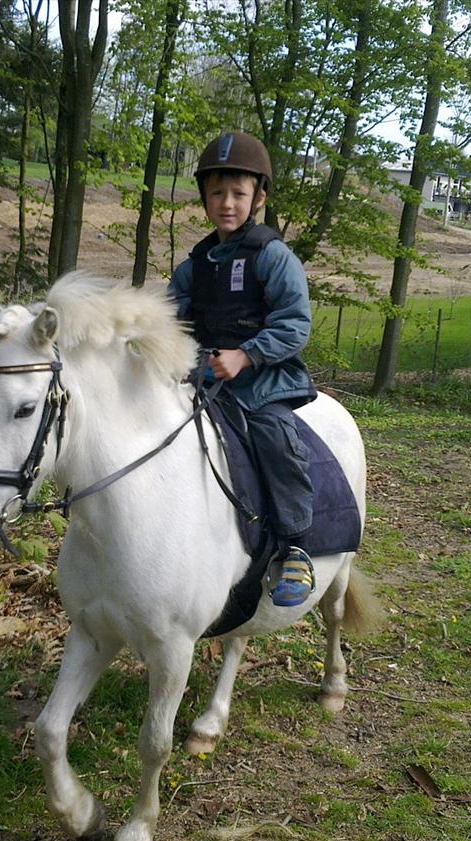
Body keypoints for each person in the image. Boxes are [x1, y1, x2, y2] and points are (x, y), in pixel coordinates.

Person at [169, 132, 318, 607]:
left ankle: (295, 546)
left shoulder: (273, 256)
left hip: (263, 380)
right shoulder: (195, 265)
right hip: (205, 378)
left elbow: (295, 324)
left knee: (275, 437)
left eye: (237, 193)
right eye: (217, 193)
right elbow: (171, 320)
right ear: (204, 198)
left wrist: (246, 354)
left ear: (259, 196)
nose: (226, 203)